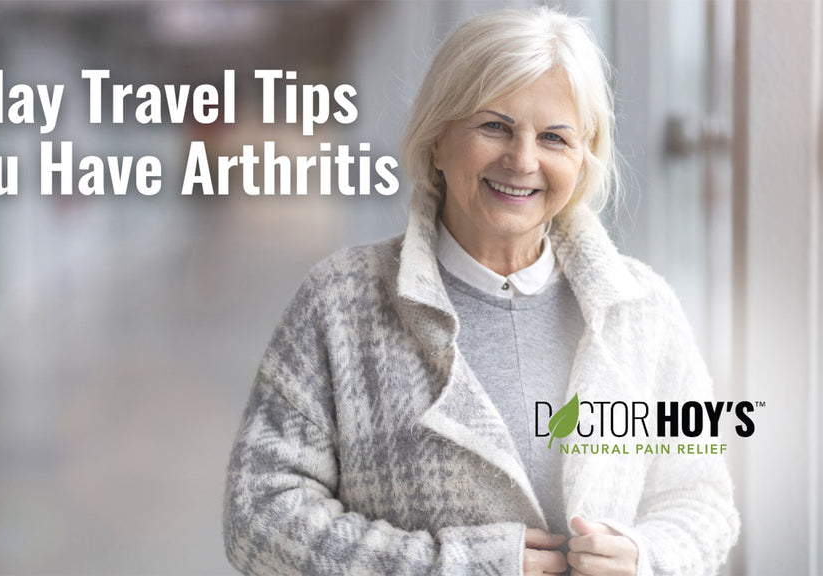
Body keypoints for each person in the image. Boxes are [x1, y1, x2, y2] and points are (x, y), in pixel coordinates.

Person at [223, 7, 739, 576]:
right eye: (494, 126)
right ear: (438, 140)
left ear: (583, 157)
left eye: (553, 137)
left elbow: (703, 500)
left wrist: (648, 557)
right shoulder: (340, 302)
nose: (522, 160)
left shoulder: (644, 310)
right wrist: (458, 566)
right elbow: (259, 518)